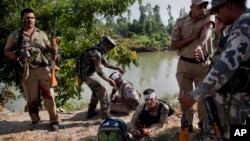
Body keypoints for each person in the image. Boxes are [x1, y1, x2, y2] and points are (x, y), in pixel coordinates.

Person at [179, 0, 250, 140]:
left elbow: (224, 67)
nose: (217, 15)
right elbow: (221, 57)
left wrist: (194, 96)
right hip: (228, 105)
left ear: (228, 5)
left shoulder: (245, 24)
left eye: (217, 11)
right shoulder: (238, 25)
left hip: (233, 107)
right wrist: (219, 34)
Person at [4, 8, 59, 131]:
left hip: (43, 69)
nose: (30, 20)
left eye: (32, 17)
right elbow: (6, 50)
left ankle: (54, 120)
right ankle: (35, 120)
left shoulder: (41, 34)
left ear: (35, 19)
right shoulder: (15, 35)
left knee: (49, 96)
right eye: (27, 17)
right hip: (26, 70)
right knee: (31, 97)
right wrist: (13, 55)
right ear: (22, 19)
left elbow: (50, 50)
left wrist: (54, 48)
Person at [171, 0, 215, 132]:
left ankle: (203, 125)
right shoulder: (181, 22)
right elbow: (174, 45)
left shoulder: (209, 16)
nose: (204, 9)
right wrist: (191, 38)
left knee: (204, 98)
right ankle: (187, 126)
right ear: (191, 7)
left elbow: (208, 28)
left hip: (203, 65)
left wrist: (199, 45)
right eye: (200, 6)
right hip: (184, 66)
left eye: (205, 6)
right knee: (185, 96)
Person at [78, 35, 125, 119]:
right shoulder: (96, 53)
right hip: (86, 75)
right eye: (109, 48)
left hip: (88, 73)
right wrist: (109, 80)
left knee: (96, 90)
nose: (109, 50)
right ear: (105, 45)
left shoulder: (99, 51)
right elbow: (99, 71)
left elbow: (105, 63)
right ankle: (105, 115)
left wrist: (117, 68)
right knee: (103, 89)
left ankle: (91, 112)